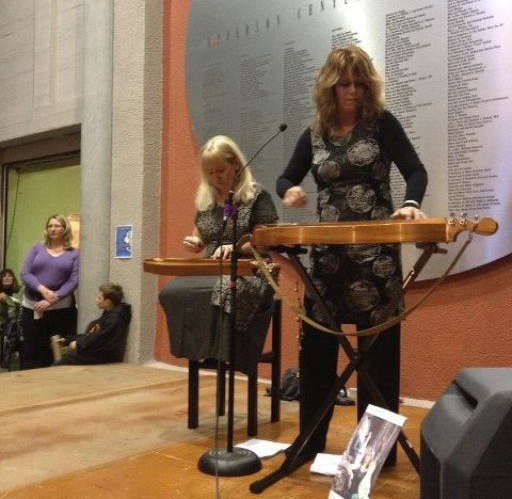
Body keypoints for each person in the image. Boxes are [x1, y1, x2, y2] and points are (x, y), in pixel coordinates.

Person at [276, 45, 428, 462]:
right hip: (326, 261)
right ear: (330, 85)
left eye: (360, 83)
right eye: (345, 83)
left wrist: (412, 202)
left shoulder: (382, 125)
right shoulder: (316, 133)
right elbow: (287, 175)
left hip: (375, 260)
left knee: (378, 359)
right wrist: (289, 189)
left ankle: (372, 455)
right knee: (318, 353)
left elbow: (416, 170)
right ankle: (309, 442)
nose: (353, 91)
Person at [159, 135, 278, 374]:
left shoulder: (257, 196)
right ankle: (199, 350)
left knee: (225, 289)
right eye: (210, 173)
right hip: (213, 267)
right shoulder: (207, 198)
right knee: (172, 291)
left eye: (220, 170)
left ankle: (225, 354)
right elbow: (201, 237)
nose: (216, 178)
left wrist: (236, 247)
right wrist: (195, 243)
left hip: (251, 268)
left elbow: (267, 241)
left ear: (236, 163)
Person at [20, 214, 79, 369]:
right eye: (50, 226)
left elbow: (73, 281)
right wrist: (43, 290)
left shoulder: (73, 253)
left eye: (56, 226)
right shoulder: (36, 248)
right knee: (32, 349)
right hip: (32, 306)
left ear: (65, 229)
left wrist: (53, 298)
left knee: (53, 351)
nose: (52, 229)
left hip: (60, 308)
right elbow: (25, 273)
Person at [54, 283, 131, 365]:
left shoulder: (114, 319)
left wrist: (78, 344)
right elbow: (92, 335)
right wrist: (69, 339)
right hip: (98, 352)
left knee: (65, 361)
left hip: (104, 357)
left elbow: (98, 339)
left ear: (108, 302)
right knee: (66, 356)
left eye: (99, 298)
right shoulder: (109, 314)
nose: (96, 300)